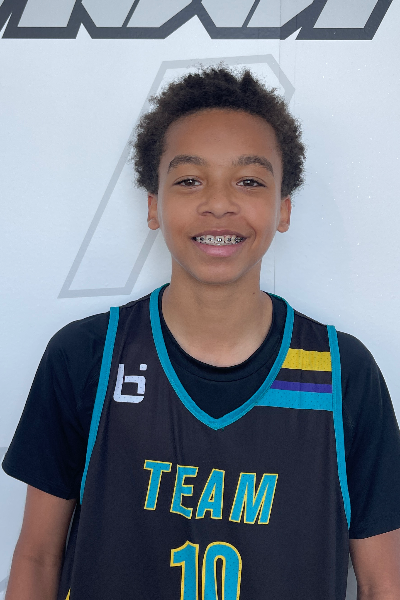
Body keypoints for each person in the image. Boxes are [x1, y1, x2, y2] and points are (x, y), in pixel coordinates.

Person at [2, 66, 400, 600]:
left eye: (250, 181)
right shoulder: (87, 356)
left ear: (283, 209)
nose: (218, 202)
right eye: (189, 180)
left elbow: (382, 582)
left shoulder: (341, 373)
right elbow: (37, 557)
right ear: (153, 205)